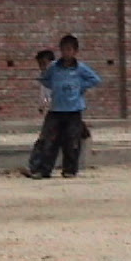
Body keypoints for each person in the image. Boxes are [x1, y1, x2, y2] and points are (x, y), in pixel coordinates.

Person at [32, 34, 101, 179]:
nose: (66, 53)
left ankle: (69, 170)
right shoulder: (54, 68)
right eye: (63, 49)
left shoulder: (80, 68)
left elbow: (95, 79)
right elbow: (44, 79)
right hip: (56, 109)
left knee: (71, 141)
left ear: (75, 51)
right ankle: (43, 170)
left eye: (69, 50)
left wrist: (80, 87)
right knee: (49, 140)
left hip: (74, 109)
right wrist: (56, 88)